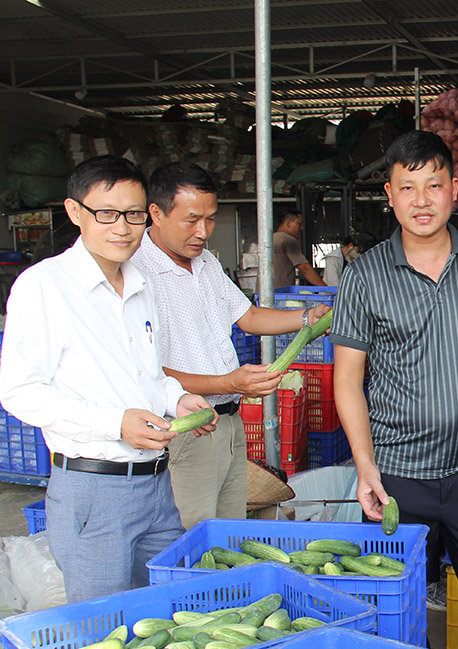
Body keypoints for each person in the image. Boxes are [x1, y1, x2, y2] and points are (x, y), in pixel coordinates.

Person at [329, 130, 458, 649]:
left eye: (433, 185)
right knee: (384, 622)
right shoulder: (365, 276)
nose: (421, 200)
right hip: (397, 480)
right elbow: (347, 379)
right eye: (408, 188)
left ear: (455, 189)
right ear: (389, 195)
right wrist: (365, 468)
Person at [0, 155, 218, 603]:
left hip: (157, 484)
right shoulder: (44, 286)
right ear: (75, 212)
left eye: (133, 214)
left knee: (164, 612)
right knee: (104, 629)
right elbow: (20, 392)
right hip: (93, 491)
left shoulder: (140, 283)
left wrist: (178, 400)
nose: (122, 227)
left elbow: (148, 377)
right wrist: (115, 423)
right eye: (107, 214)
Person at [131, 161, 330, 529]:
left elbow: (248, 317)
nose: (203, 231)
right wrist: (229, 383)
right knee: (195, 538)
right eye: (191, 220)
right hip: (186, 426)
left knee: (231, 532)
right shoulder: (135, 273)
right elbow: (147, 372)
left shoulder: (204, 261)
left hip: (227, 421)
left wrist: (306, 319)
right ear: (155, 214)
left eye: (210, 219)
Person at [273, 209, 325, 288]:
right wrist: (326, 290)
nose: (301, 228)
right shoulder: (288, 240)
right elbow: (305, 269)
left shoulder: (271, 239)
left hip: (262, 293)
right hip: (280, 294)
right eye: (299, 224)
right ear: (289, 223)